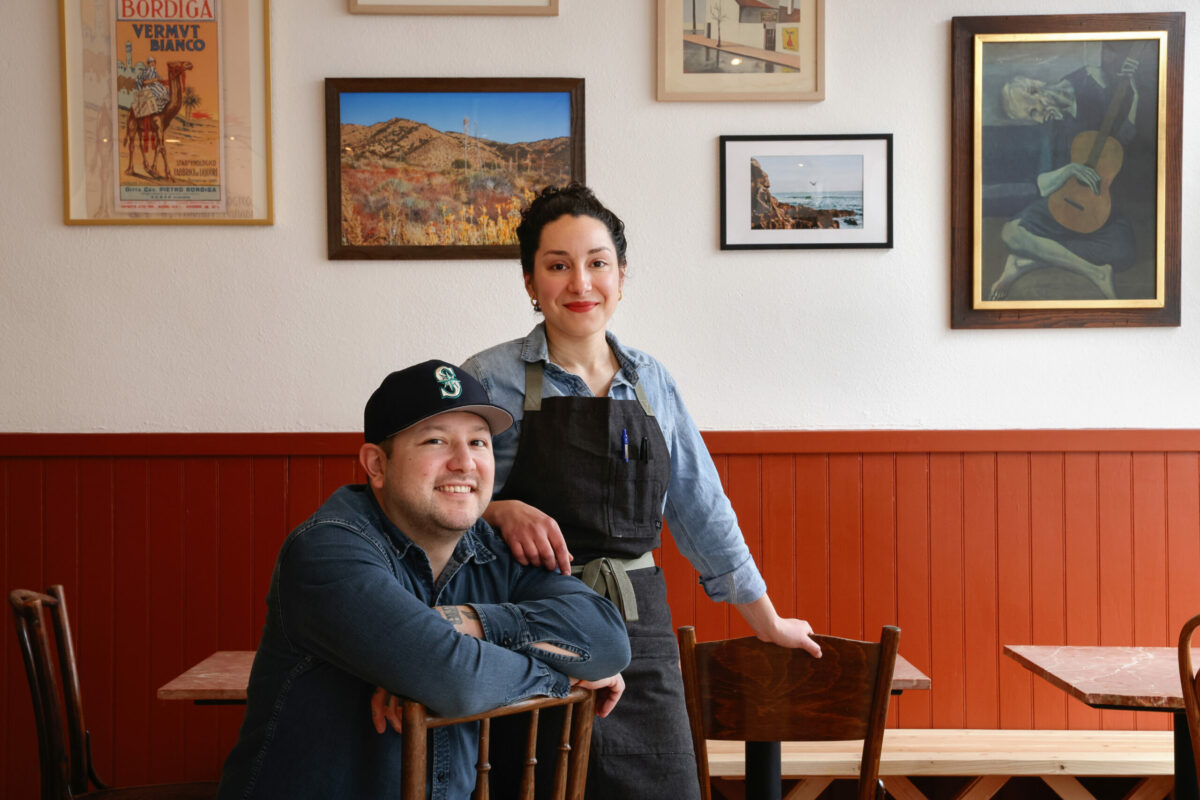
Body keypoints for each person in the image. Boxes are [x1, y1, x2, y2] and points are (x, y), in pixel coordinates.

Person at [456, 184, 823, 799]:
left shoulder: (651, 380)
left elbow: (699, 505)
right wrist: (496, 508)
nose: (580, 283)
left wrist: (766, 620)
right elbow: (443, 500)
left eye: (598, 263)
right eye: (557, 265)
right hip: (531, 619)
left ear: (621, 277)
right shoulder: (489, 376)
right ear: (529, 282)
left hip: (640, 624)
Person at [217, 360, 630, 800]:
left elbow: (608, 641)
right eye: (436, 441)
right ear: (377, 464)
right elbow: (457, 681)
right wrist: (566, 678)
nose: (464, 462)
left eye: (478, 442)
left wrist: (468, 624)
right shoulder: (325, 550)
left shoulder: (494, 548)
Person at [988, 48, 1144, 301]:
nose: (1038, 120)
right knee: (1010, 232)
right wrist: (1071, 169)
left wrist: (1136, 95)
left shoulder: (1092, 80)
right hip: (1062, 201)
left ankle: (1026, 261)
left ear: (1035, 91)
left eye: (1033, 112)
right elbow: (1042, 183)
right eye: (1032, 118)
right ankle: (1095, 272)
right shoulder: (1049, 125)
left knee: (1124, 252)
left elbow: (1124, 138)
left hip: (1099, 203)